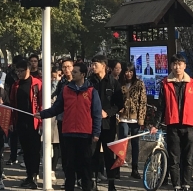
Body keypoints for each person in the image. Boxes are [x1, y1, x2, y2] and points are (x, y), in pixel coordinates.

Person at [37, 62, 102, 191]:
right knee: (69, 166)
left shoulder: (91, 91)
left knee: (85, 167)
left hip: (85, 134)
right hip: (68, 133)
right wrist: (43, 114)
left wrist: (96, 133)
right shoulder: (66, 90)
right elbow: (57, 108)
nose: (72, 74)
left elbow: (97, 113)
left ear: (83, 74)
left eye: (75, 72)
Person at [151, 54, 193, 191]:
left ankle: (186, 184)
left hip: (189, 125)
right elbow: (161, 107)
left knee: (188, 158)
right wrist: (155, 125)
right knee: (174, 158)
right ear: (171, 66)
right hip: (173, 126)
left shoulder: (192, 83)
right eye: (174, 64)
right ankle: (176, 185)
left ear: (184, 66)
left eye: (179, 64)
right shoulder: (165, 84)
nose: (177, 67)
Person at [89, 55, 123, 191]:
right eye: (92, 64)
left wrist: (108, 112)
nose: (93, 67)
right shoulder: (89, 82)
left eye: (95, 64)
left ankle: (111, 184)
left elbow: (119, 104)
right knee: (93, 153)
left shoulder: (113, 83)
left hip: (108, 124)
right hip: (92, 123)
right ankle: (93, 182)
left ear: (103, 66)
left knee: (109, 155)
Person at [10, 59, 43, 189]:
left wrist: (41, 121)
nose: (19, 73)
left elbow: (41, 103)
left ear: (28, 70)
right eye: (17, 71)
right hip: (21, 122)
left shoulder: (37, 84)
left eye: (21, 71)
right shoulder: (16, 85)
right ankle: (29, 175)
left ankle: (34, 175)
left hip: (34, 122)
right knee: (25, 150)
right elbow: (12, 104)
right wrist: (12, 121)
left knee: (34, 150)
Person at [118, 62, 147, 179]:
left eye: (131, 71)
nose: (128, 74)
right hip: (123, 117)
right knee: (122, 141)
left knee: (135, 144)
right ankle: (118, 167)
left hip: (135, 118)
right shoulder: (120, 83)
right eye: (126, 71)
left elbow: (143, 102)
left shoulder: (139, 83)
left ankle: (134, 169)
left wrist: (141, 118)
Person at [5, 55, 23, 166]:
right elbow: (7, 90)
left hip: (25, 110)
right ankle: (13, 156)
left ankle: (23, 156)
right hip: (14, 107)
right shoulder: (10, 76)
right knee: (13, 134)